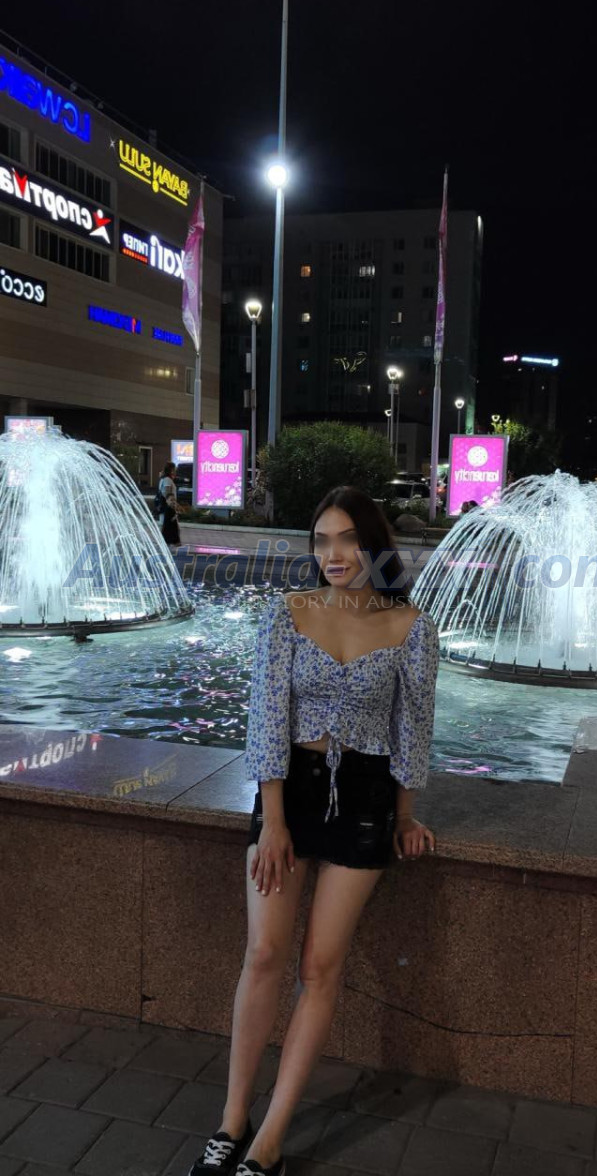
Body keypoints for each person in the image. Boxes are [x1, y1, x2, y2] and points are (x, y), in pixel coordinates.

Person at [188, 485, 440, 1176]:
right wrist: (272, 821)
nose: (333, 554)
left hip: (365, 800)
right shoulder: (287, 613)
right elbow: (266, 716)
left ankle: (268, 1142)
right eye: (322, 540)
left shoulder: (412, 626)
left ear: (373, 547)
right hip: (289, 796)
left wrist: (404, 815)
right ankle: (231, 1122)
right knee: (263, 953)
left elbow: (412, 729)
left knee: (319, 968)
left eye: (347, 539)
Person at [158, 461, 181, 546]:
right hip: (169, 506)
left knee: (170, 524)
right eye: (174, 469)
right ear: (171, 469)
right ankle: (172, 541)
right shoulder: (167, 480)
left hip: (168, 505)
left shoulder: (164, 479)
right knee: (171, 524)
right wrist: (174, 504)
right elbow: (167, 493)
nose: (175, 470)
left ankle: (171, 541)